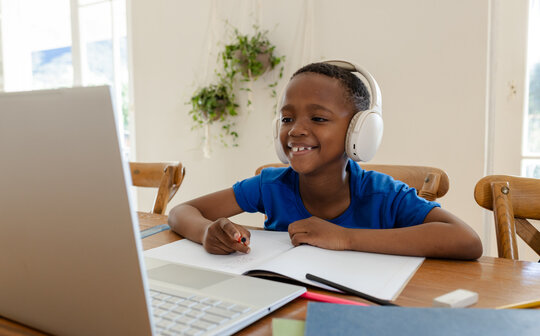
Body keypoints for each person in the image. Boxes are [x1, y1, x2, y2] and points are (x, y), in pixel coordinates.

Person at [168, 61, 483, 260]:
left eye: (318, 118)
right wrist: (206, 232)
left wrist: (344, 237)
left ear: (360, 132)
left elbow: (467, 241)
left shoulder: (383, 195)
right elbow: (183, 211)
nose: (297, 130)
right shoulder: (270, 186)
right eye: (287, 118)